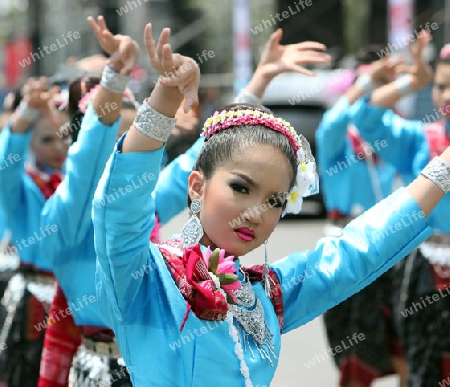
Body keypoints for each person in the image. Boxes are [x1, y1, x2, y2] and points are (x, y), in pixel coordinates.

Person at [92, 23, 449, 387]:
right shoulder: (143, 277)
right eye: (241, 188)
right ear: (196, 186)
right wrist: (167, 96)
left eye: (275, 201)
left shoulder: (266, 296)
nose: (256, 212)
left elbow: (355, 253)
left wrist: (445, 166)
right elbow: (119, 208)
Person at [349, 32, 450, 386]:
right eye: (440, 86)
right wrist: (412, 81)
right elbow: (365, 119)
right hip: (423, 267)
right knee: (422, 366)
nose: (447, 95)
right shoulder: (420, 140)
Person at [316, 53, 406, 387]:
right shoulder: (339, 139)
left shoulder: (399, 135)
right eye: (371, 83)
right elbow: (330, 124)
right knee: (354, 357)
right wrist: (367, 82)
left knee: (404, 345)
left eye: (385, 84)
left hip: (395, 248)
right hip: (349, 246)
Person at [0, 77, 71, 387]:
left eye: (63, 137)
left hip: (73, 298)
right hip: (33, 299)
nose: (58, 147)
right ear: (28, 140)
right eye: (46, 139)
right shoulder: (20, 185)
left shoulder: (76, 182)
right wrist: (27, 111)